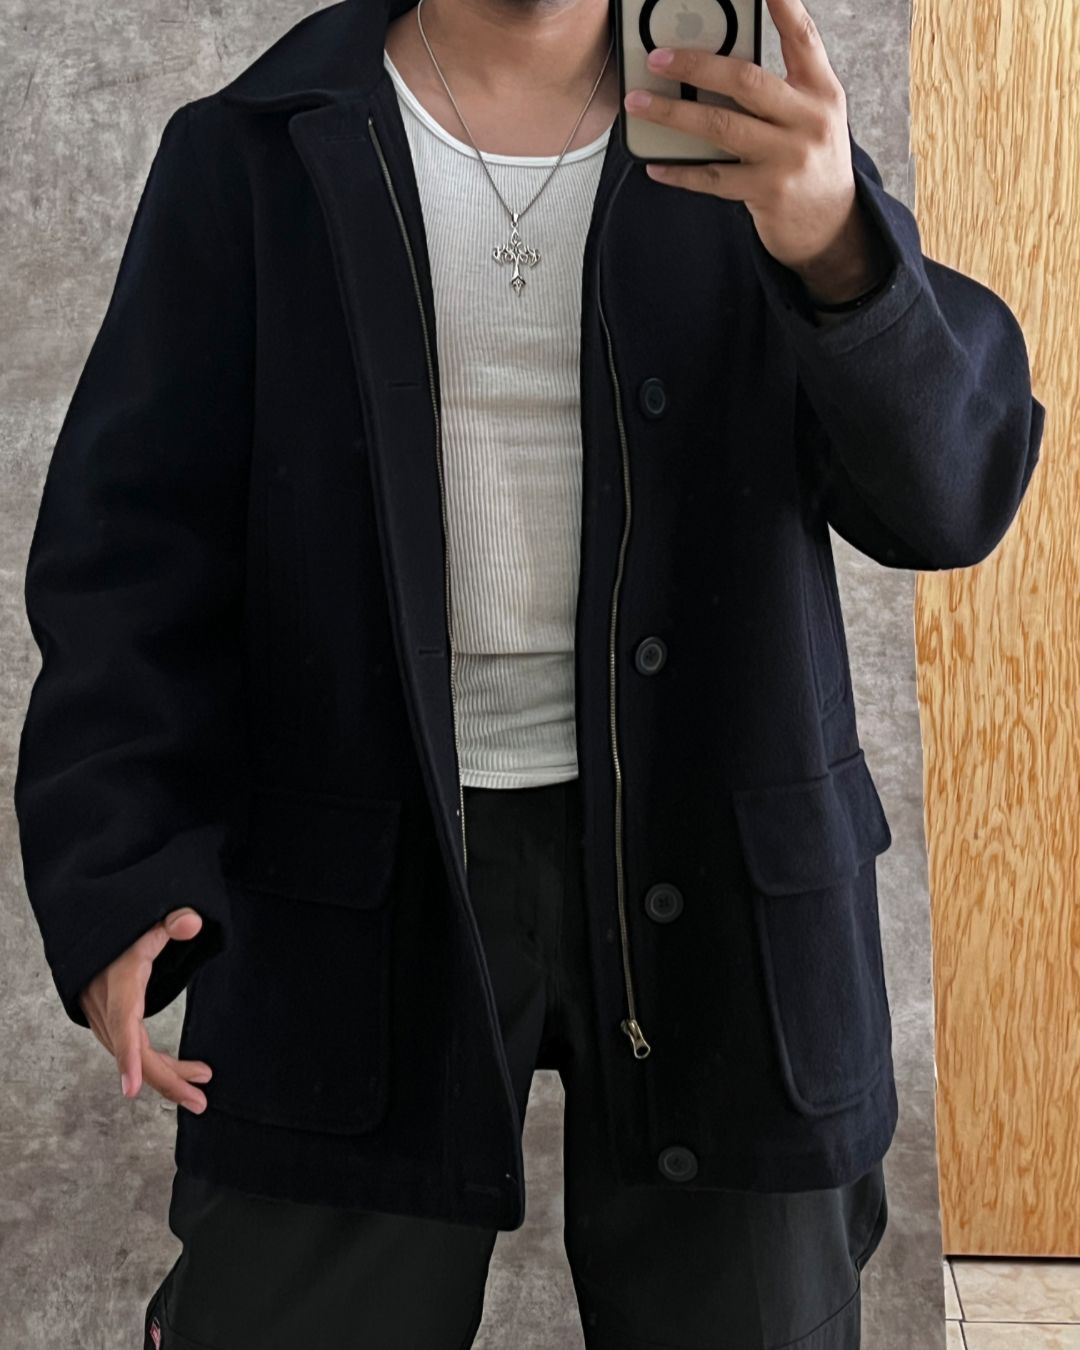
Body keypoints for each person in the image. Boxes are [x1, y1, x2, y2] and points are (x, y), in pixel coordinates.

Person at [14, 0, 1044, 1345]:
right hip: (349, 876)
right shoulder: (256, 148)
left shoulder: (748, 130)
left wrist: (840, 247)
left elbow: (951, 501)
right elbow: (131, 547)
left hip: (724, 880)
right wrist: (117, 863)